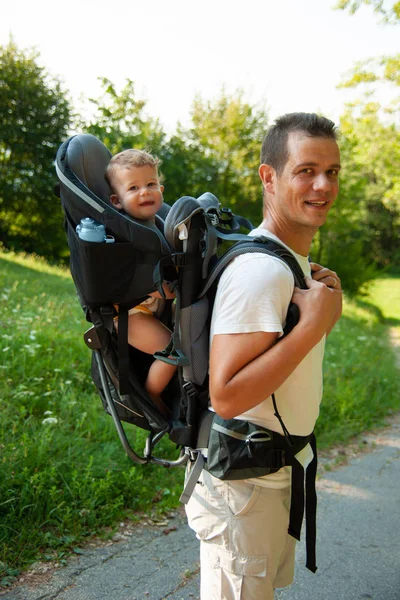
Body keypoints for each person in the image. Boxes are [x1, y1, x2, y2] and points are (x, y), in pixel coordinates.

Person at [185, 112, 343, 599]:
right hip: (245, 492)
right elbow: (227, 395)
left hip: (269, 480)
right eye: (306, 170)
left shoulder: (288, 264)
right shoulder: (261, 272)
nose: (323, 185)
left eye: (332, 172)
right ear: (268, 177)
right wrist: (315, 324)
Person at [105, 149, 176, 416]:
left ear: (161, 189)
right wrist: (159, 290)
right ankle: (152, 395)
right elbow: (124, 275)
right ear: (117, 200)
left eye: (150, 184)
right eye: (133, 187)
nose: (144, 192)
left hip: (149, 307)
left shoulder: (159, 224)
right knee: (174, 350)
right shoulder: (125, 231)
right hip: (129, 313)